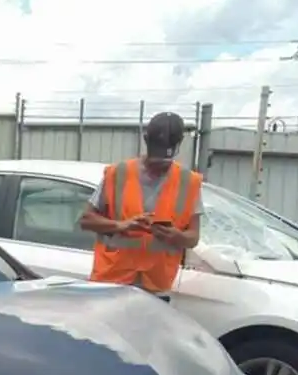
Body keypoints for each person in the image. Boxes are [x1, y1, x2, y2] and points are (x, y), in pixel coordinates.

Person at [76, 111, 203, 300]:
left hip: (156, 288)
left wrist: (177, 236)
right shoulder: (117, 174)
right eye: (154, 162)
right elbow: (86, 220)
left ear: (178, 146)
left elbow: (193, 238)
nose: (158, 168)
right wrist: (121, 225)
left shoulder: (189, 182)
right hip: (111, 283)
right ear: (145, 139)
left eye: (164, 164)